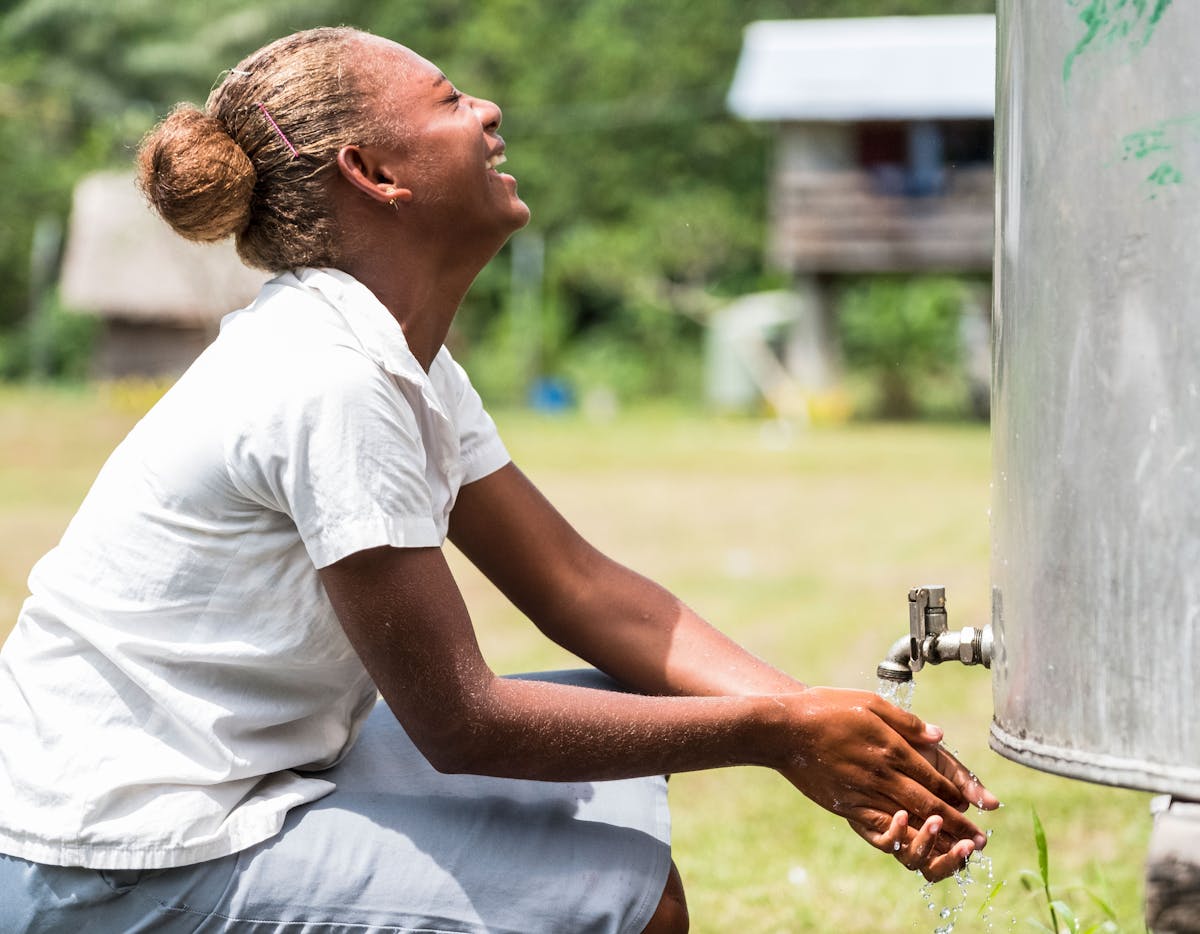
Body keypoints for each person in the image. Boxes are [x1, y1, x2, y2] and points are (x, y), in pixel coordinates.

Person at [0, 26, 998, 934]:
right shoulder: (328, 380)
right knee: (627, 901)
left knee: (630, 737)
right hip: (111, 849)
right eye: (448, 100)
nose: (488, 111)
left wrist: (826, 737)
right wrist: (780, 728)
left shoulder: (401, 358)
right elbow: (461, 720)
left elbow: (580, 587)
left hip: (226, 776)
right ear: (374, 171)